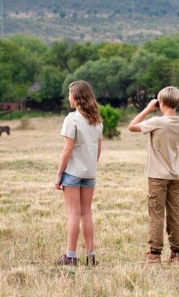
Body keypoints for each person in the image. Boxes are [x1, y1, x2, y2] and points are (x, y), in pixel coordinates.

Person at [128, 86, 179, 264]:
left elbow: (132, 126)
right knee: (175, 213)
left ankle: (154, 254)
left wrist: (147, 109)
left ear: (161, 103)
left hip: (157, 175)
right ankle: (177, 253)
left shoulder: (157, 122)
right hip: (174, 175)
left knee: (156, 214)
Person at [54, 80, 103, 267]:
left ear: (77, 97)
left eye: (69, 94)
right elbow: (98, 149)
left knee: (73, 213)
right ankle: (91, 256)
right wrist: (90, 166)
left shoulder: (71, 119)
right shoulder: (97, 120)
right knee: (86, 213)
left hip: (73, 173)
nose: (68, 97)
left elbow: (67, 150)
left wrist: (59, 174)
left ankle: (71, 256)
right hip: (90, 173)